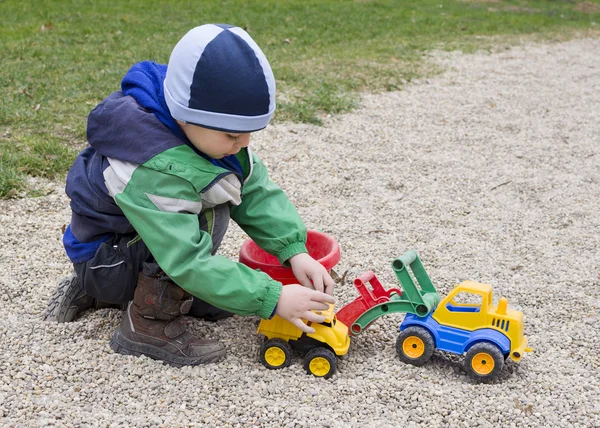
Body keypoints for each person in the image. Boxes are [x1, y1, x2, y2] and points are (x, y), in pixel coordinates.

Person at [45, 24, 336, 367]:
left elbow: (253, 188)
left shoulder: (206, 134)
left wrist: (293, 249)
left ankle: (140, 292)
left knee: (219, 192)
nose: (243, 144)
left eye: (249, 134)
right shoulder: (153, 167)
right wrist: (272, 298)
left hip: (124, 246)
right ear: (185, 117)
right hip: (106, 261)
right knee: (211, 213)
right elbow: (186, 259)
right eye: (232, 135)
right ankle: (148, 323)